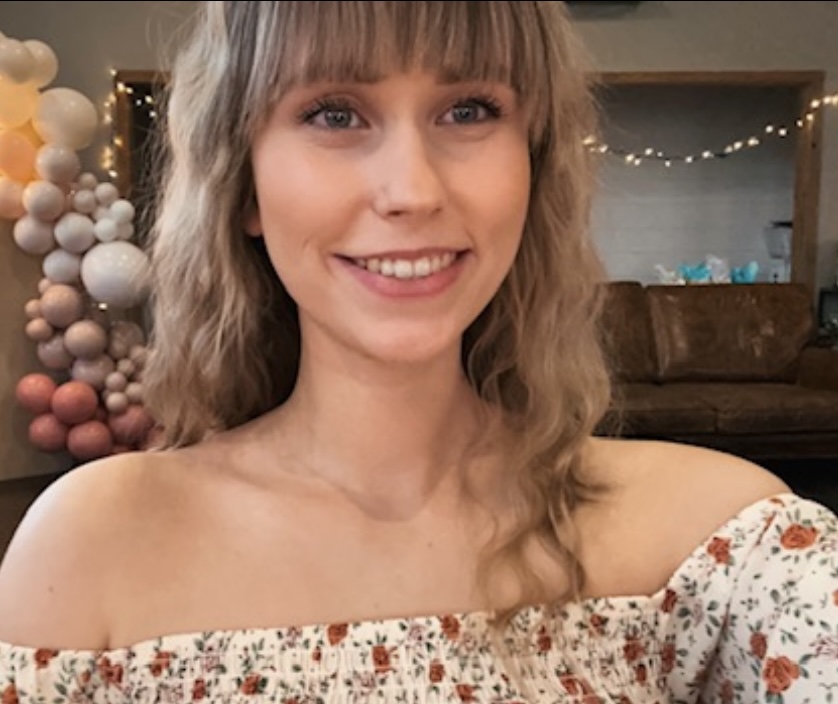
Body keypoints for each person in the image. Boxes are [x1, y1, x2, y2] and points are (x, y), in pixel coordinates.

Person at [1, 1, 836, 701]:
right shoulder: (90, 551)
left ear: (532, 164)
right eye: (334, 113)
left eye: (469, 110)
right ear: (243, 182)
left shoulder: (720, 547)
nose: (412, 191)